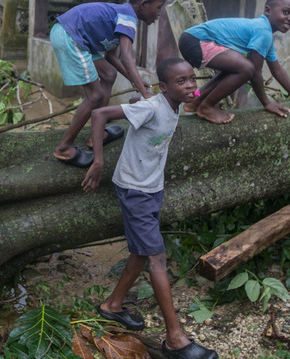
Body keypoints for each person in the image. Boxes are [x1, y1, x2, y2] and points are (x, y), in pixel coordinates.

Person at [83, 57, 218, 359]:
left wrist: (211, 94)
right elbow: (100, 114)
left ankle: (112, 305)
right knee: (156, 257)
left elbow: (199, 94)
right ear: (164, 87)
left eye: (191, 79)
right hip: (135, 189)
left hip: (152, 187)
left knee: (141, 251)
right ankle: (175, 339)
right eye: (181, 81)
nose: (190, 85)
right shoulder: (152, 107)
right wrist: (98, 161)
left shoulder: (176, 101)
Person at [51, 0, 167, 168]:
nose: (160, 13)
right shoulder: (128, 18)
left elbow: (112, 57)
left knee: (108, 74)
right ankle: (64, 147)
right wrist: (144, 93)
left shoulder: (122, 16)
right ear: (144, 4)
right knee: (94, 95)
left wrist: (133, 79)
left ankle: (96, 133)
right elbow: (126, 57)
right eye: (159, 7)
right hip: (69, 36)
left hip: (78, 37)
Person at [177, 0, 290, 124]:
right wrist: (266, 103)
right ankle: (206, 107)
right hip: (195, 41)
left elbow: (277, 70)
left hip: (191, 39)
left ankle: (197, 100)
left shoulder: (264, 33)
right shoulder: (262, 30)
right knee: (246, 68)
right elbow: (254, 73)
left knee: (235, 69)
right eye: (286, 12)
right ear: (267, 10)